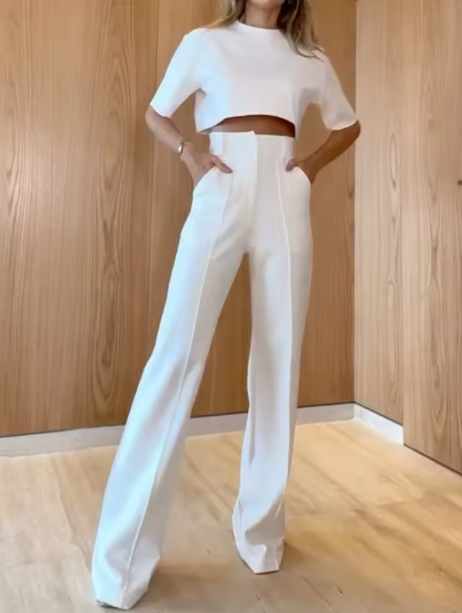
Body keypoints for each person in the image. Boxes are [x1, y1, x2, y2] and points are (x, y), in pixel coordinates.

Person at [92, 0, 361, 608]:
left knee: (279, 361)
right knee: (175, 357)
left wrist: (309, 169)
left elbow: (347, 124)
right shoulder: (204, 43)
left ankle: (261, 533)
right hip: (223, 179)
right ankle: (121, 560)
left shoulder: (309, 57)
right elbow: (156, 112)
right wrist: (188, 152)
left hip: (285, 193)